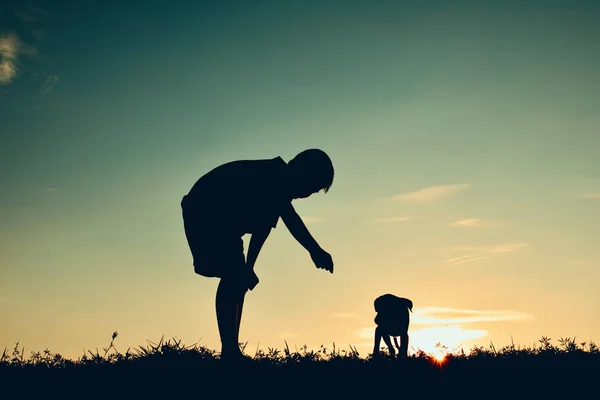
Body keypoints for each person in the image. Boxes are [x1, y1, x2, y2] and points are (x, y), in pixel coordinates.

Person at [181, 149, 335, 361]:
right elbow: (291, 220)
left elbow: (263, 227)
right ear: (304, 174)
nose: (307, 195)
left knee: (238, 277)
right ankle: (230, 352)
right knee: (233, 275)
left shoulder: (277, 182)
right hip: (204, 209)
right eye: (312, 188)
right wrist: (315, 250)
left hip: (220, 217)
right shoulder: (274, 178)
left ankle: (231, 349)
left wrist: (249, 267)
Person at [372, 294, 413, 358]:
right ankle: (397, 352)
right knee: (380, 329)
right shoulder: (388, 303)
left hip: (397, 326)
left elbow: (377, 320)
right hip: (395, 327)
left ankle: (377, 353)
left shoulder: (386, 304)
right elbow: (377, 320)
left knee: (379, 329)